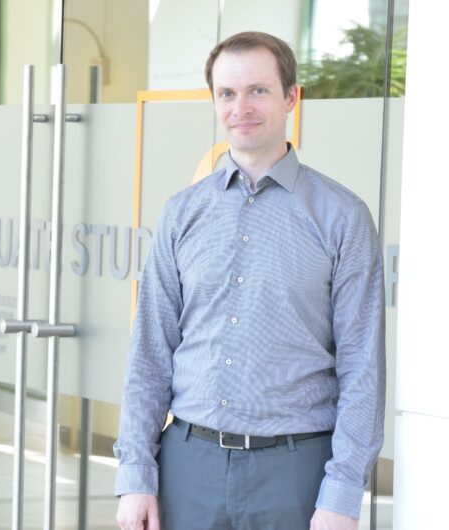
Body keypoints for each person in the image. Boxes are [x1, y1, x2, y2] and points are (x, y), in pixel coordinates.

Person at [113, 31, 385, 530]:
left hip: (296, 474)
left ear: (291, 97)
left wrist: (342, 494)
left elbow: (361, 368)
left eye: (258, 90)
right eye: (227, 93)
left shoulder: (342, 217)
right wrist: (136, 476)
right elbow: (149, 356)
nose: (242, 107)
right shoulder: (181, 214)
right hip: (187, 469)